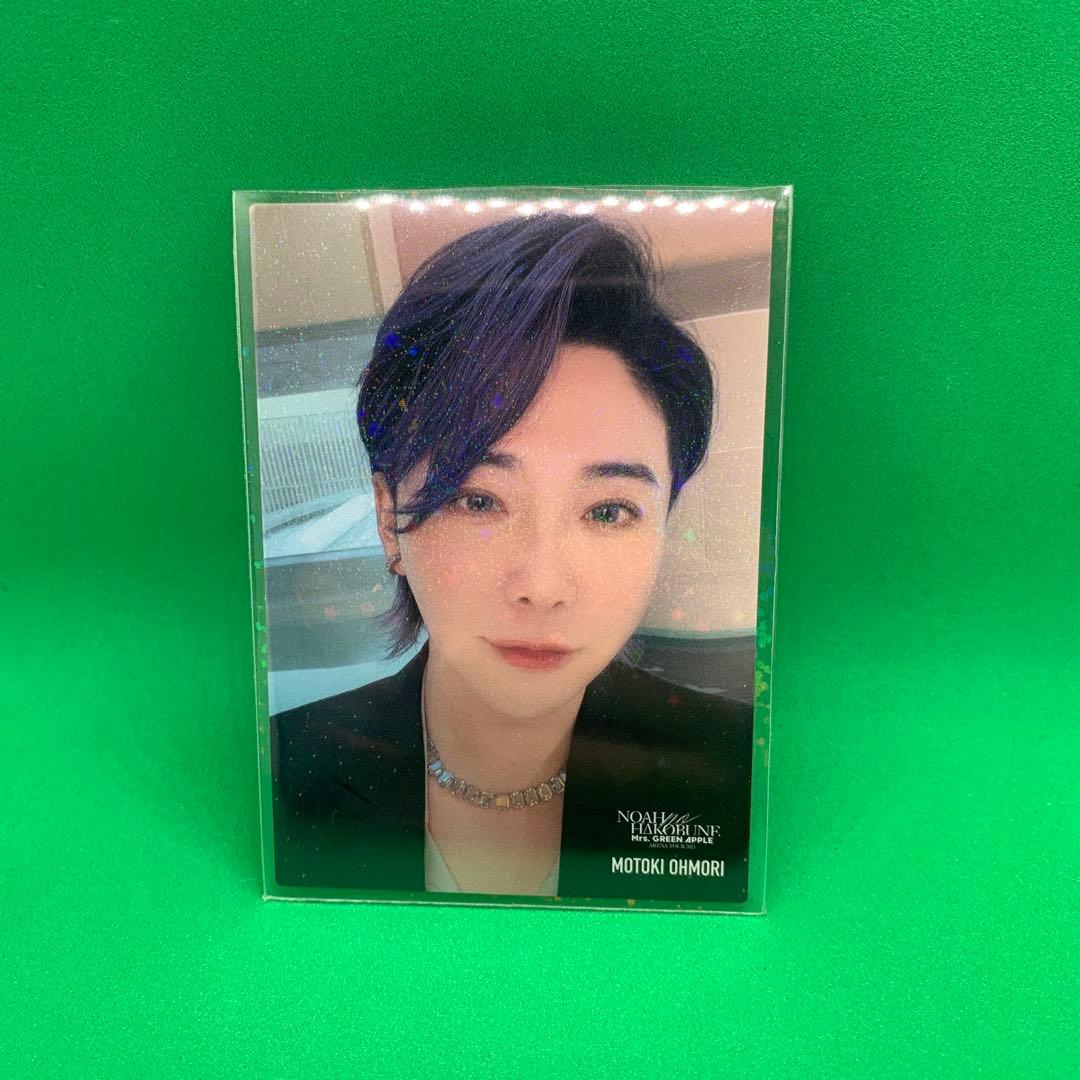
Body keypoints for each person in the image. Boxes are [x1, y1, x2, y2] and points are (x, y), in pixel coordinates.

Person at [270, 211, 753, 904]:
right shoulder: (280, 775)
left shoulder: (741, 775)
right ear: (388, 518)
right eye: (478, 500)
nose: (542, 586)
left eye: (609, 511)